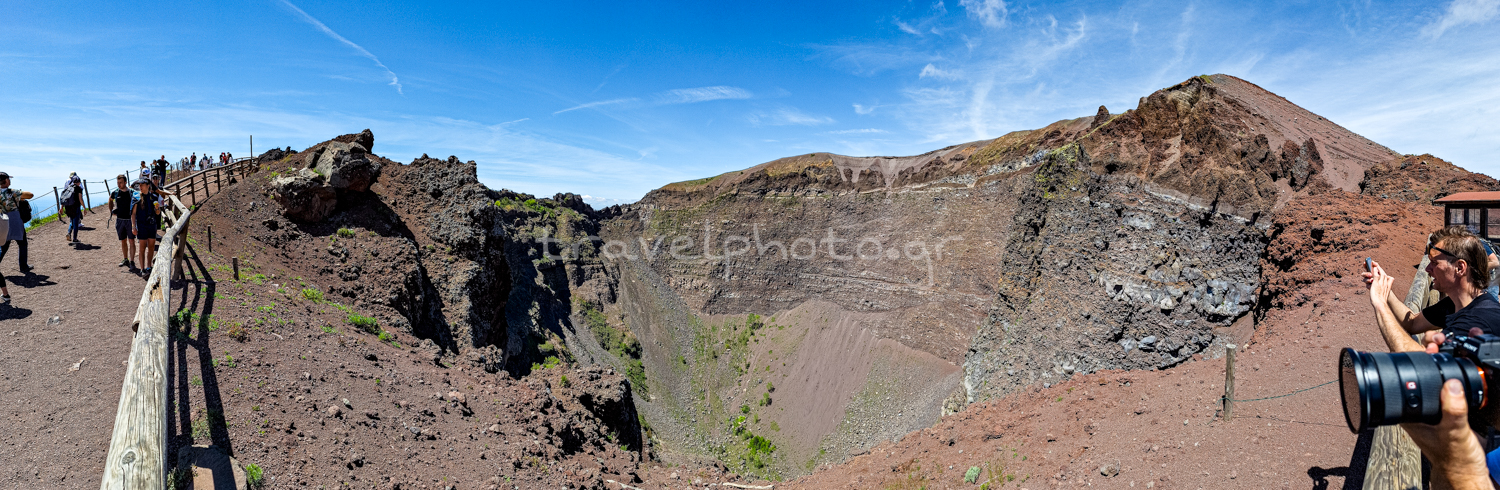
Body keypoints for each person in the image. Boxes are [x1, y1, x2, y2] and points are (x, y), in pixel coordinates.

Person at [1366, 226, 1500, 353]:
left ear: (1460, 268)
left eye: (1435, 263)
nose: (1427, 269)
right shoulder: (1456, 304)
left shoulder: (1477, 321)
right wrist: (1385, 290)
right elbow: (1412, 323)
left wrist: (1380, 303)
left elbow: (1420, 361)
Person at [0, 172, 33, 275]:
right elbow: (30, 195)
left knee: (3, 246)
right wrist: (19, 195)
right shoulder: (12, 192)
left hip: (3, 220)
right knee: (22, 243)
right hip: (15, 220)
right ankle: (23, 267)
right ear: (6, 181)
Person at [108, 174, 136, 268]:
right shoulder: (115, 192)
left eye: (120, 182)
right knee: (123, 241)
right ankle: (125, 259)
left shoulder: (131, 192)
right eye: (117, 183)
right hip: (120, 220)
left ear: (125, 182)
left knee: (131, 241)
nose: (119, 184)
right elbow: (110, 199)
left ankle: (132, 261)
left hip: (129, 220)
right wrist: (111, 211)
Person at [61, 173, 88, 243]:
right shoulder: (79, 189)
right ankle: (75, 238)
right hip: (76, 207)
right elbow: (80, 199)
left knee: (72, 221)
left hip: (68, 208)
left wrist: (61, 208)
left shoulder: (68, 188)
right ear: (79, 182)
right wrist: (84, 208)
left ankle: (69, 233)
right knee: (75, 223)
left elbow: (64, 198)